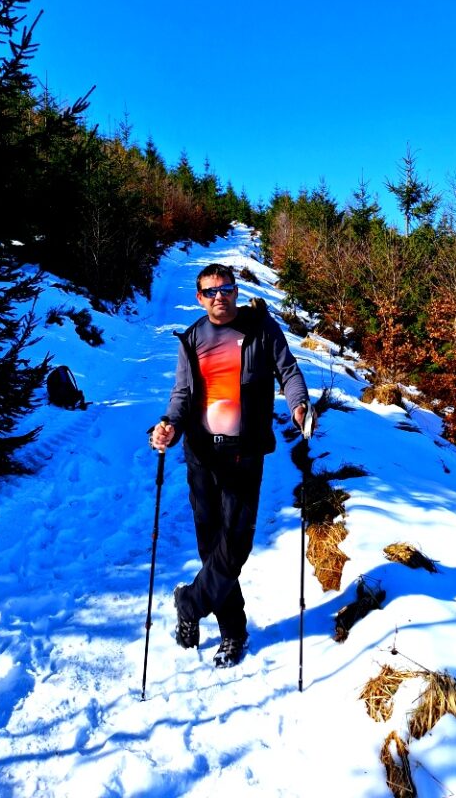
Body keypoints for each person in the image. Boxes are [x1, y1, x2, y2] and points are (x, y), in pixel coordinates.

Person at [150, 262, 313, 668]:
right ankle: (233, 631)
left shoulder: (261, 328)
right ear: (199, 298)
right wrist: (169, 424)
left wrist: (299, 404)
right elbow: (182, 396)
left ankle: (189, 602)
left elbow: (288, 371)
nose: (220, 296)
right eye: (211, 291)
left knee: (235, 544)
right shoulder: (191, 339)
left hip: (244, 455)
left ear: (236, 291)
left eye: (226, 288)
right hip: (202, 456)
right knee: (211, 547)